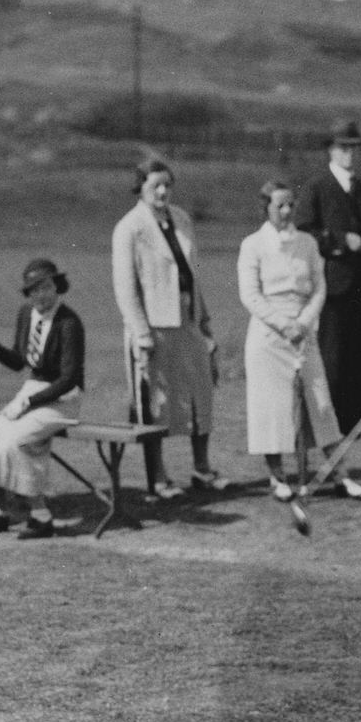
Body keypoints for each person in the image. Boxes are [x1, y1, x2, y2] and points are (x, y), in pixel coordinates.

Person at [237, 180, 361, 501]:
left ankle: (340, 475)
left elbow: (319, 289)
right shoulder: (252, 244)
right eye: (279, 205)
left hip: (303, 332)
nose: (286, 210)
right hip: (269, 337)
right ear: (266, 207)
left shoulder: (307, 243)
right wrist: (284, 325)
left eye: (290, 204)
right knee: (273, 409)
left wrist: (303, 323)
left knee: (321, 405)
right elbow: (250, 295)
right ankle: (277, 478)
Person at [112, 157, 229, 500]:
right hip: (153, 326)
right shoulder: (129, 227)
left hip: (188, 319)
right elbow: (125, 289)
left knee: (201, 393)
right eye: (155, 186)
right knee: (156, 403)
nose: (163, 191)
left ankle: (202, 469)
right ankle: (158, 477)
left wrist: (204, 323)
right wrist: (142, 333)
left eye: (168, 185)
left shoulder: (181, 219)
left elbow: (192, 277)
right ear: (141, 187)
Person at [0, 259, 84, 540]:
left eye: (47, 287)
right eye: (34, 290)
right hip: (32, 391)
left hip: (62, 399)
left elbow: (69, 379)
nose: (41, 295)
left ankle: (41, 517)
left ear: (57, 287)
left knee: (16, 442)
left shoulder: (69, 323)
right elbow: (18, 362)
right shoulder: (27, 313)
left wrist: (29, 402)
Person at [295, 118, 361, 437]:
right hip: (331, 286)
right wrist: (338, 242)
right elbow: (304, 231)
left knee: (357, 358)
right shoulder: (316, 187)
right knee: (332, 357)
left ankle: (352, 422)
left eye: (354, 148)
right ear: (331, 151)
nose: (350, 154)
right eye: (343, 148)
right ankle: (329, 424)